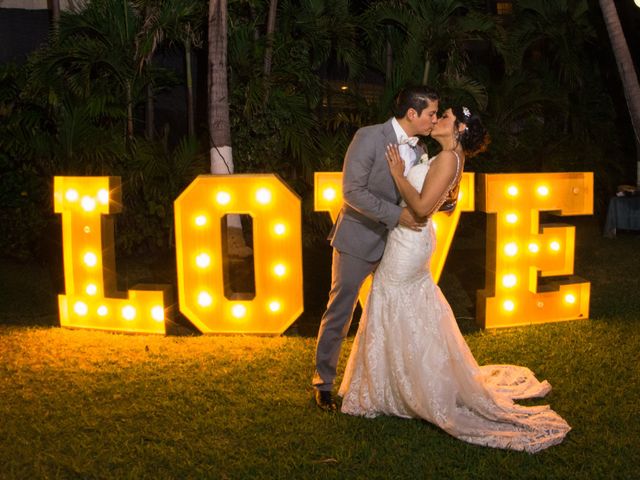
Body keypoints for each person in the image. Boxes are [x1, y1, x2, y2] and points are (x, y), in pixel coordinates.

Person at [338, 106, 571, 453]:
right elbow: (444, 203)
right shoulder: (449, 157)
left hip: (409, 242)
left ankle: (399, 387)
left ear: (459, 129)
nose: (436, 120)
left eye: (444, 117)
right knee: (407, 305)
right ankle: (397, 381)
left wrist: (399, 174)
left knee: (392, 299)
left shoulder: (448, 158)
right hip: (413, 241)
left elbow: (418, 208)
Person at [312, 86, 440, 411]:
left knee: (387, 316)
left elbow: (417, 194)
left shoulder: (421, 148)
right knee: (341, 312)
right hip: (358, 240)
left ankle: (387, 383)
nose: (434, 120)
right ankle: (323, 383)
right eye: (431, 114)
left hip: (397, 249)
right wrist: (398, 215)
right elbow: (352, 191)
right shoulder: (369, 137)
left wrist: (441, 201)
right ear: (412, 113)